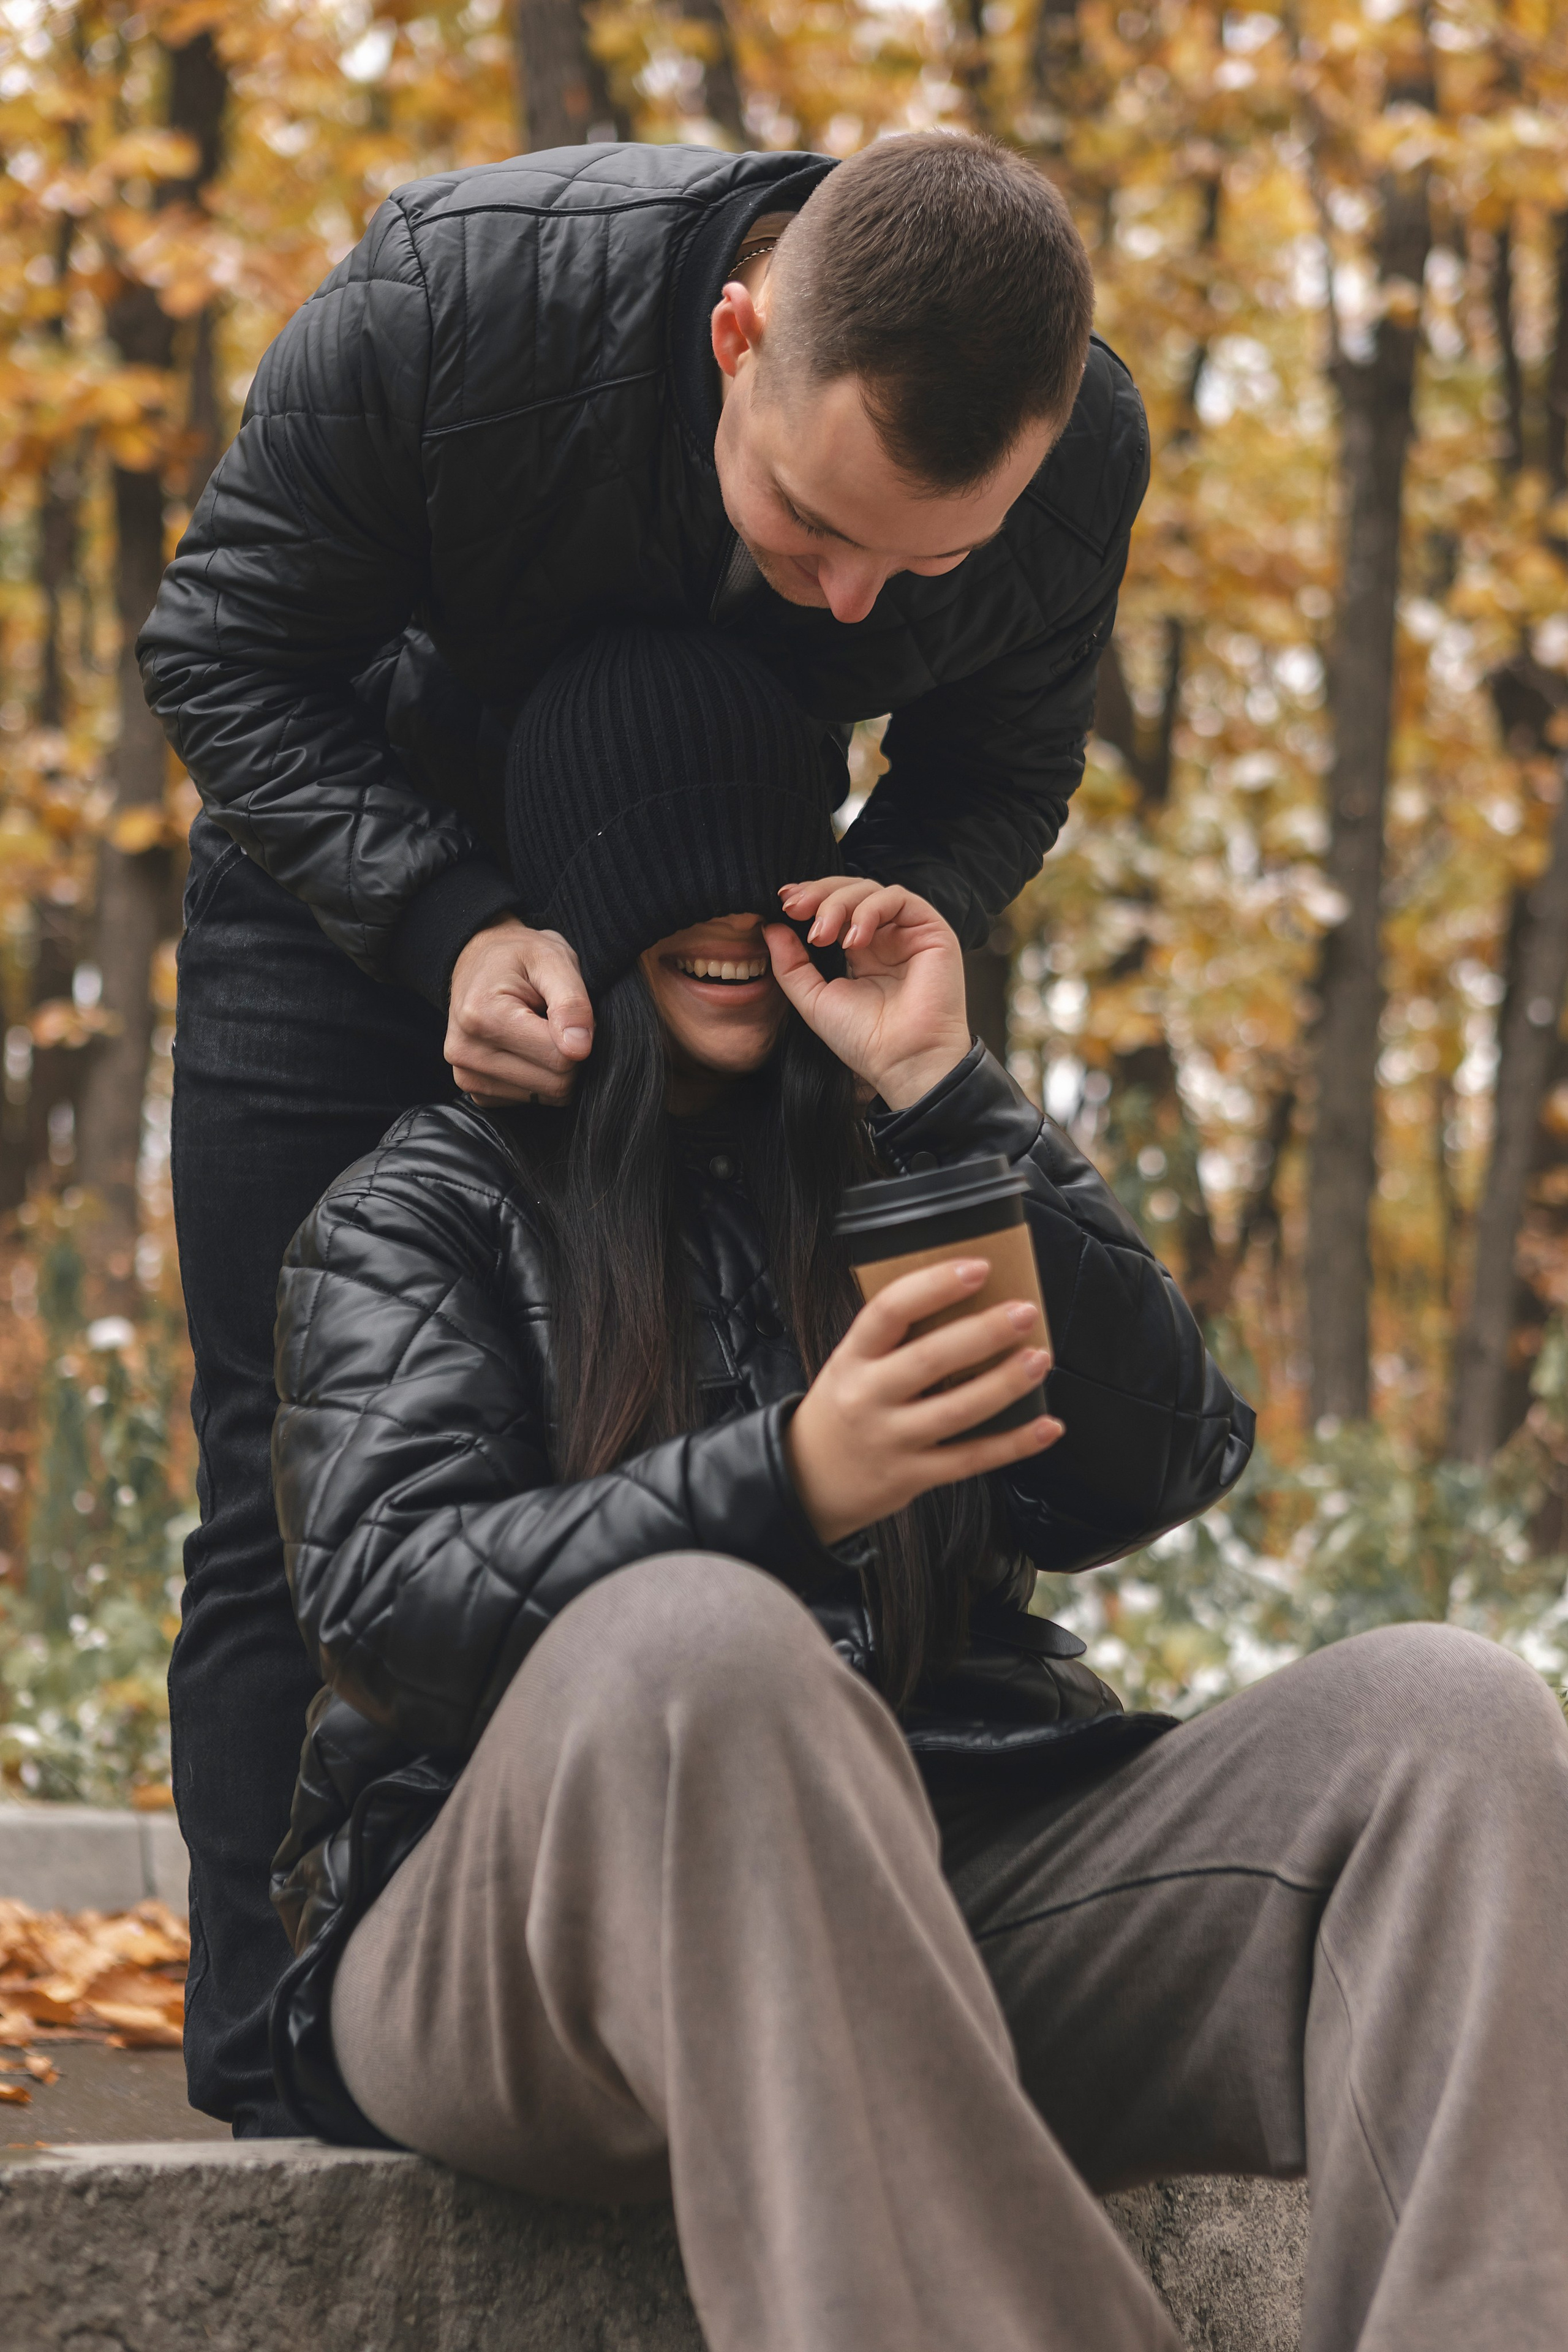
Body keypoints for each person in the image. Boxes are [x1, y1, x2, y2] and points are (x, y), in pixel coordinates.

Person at [270, 628, 1568, 2352]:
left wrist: (946, 1093)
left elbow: (1161, 1456)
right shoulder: (422, 1209)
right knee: (700, 1644)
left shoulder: (891, 1160)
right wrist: (790, 1478)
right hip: (507, 1950)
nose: (730, 911)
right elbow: (387, 1605)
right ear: (582, 900)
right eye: (673, 867)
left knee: (1456, 1719)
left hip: (949, 1903)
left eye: (767, 864)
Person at [143, 127, 1148, 2132]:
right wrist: (447, 917)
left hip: (733, 882)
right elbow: (226, 648)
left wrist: (876, 930)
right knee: (289, 1461)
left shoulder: (1074, 452)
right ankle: (270, 2097)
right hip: (355, 874)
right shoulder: (457, 303)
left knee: (727, 1372)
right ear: (734, 337)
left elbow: (995, 768)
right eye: (814, 524)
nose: (850, 602)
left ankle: (706, 1970)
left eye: (923, 566)